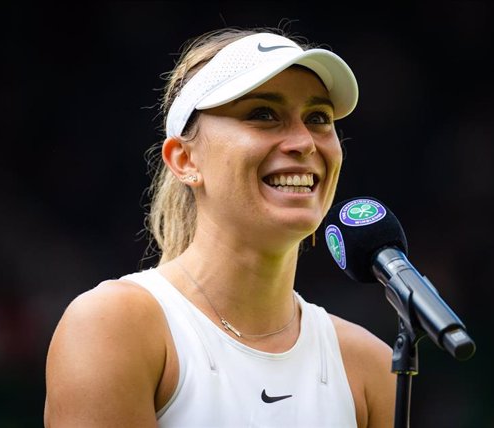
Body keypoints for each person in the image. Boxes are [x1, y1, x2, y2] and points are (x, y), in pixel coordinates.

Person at [44, 27, 395, 427]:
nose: (304, 142)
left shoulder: (372, 367)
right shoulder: (114, 325)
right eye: (263, 114)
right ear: (184, 160)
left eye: (318, 118)